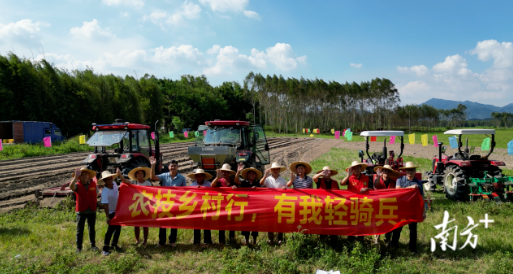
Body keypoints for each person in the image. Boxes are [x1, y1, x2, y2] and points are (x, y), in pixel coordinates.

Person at [149, 156, 187, 247]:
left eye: (174, 166)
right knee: (163, 222)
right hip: (164, 203)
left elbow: (185, 191)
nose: (172, 167)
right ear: (168, 167)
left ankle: (172, 241)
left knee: (174, 222)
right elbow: (153, 177)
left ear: (177, 167)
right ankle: (161, 242)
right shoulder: (164, 176)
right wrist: (153, 166)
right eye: (171, 166)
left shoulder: (182, 178)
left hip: (175, 204)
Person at [393, 162, 427, 253]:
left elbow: (422, 198)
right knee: (398, 227)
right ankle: (394, 244)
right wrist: (411, 187)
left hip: (413, 209)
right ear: (405, 170)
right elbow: (397, 190)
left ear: (415, 171)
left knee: (413, 229)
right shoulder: (400, 179)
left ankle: (412, 248)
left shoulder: (418, 183)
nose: (409, 171)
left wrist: (423, 211)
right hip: (401, 208)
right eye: (408, 170)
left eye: (411, 170)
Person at [117, 167, 152, 247]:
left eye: (141, 173)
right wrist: (120, 174)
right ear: (136, 175)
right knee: (136, 224)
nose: (140, 174)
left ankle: (145, 241)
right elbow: (125, 181)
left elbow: (151, 193)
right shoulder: (133, 182)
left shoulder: (147, 183)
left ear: (144, 175)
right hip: (136, 206)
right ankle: (137, 240)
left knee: (145, 224)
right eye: (138, 173)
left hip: (145, 205)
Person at [70, 167, 99, 253]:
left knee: (92, 228)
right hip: (81, 211)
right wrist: (75, 178)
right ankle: (79, 248)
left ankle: (93, 245)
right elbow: (71, 187)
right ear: (79, 177)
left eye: (86, 174)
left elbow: (96, 193)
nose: (84, 176)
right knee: (80, 230)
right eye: (82, 175)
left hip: (91, 210)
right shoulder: (77, 185)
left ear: (89, 176)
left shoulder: (93, 184)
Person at [341, 161, 371, 242]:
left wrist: (367, 189)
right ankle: (350, 241)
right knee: (351, 224)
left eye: (358, 167)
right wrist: (348, 175)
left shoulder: (367, 178)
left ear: (361, 169)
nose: (356, 169)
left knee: (361, 224)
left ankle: (360, 242)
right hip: (351, 205)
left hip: (363, 205)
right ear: (352, 169)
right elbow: (342, 183)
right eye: (354, 168)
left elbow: (373, 190)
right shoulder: (350, 178)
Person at [233, 163, 262, 245]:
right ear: (247, 175)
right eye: (250, 173)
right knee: (246, 224)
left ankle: (255, 241)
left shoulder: (257, 183)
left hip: (255, 207)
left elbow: (263, 192)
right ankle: (246, 240)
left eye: (253, 173)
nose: (251, 175)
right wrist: (238, 171)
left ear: (255, 175)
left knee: (255, 224)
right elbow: (236, 181)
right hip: (246, 207)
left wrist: (257, 189)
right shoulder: (244, 182)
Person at [259, 162, 287, 244]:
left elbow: (287, 189)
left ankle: (280, 238)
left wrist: (285, 188)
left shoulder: (283, 180)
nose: (275, 171)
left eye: (276, 169)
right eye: (273, 169)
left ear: (279, 170)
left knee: (280, 221)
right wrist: (265, 175)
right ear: (271, 170)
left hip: (280, 203)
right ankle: (270, 238)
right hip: (270, 203)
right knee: (270, 221)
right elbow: (261, 183)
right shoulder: (268, 179)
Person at [372, 165, 400, 246]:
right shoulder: (378, 180)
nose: (386, 173)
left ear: (390, 173)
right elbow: (376, 186)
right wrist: (378, 176)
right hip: (379, 206)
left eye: (388, 171)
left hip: (389, 207)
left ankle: (387, 240)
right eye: (385, 171)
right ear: (382, 172)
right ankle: (376, 240)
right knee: (378, 223)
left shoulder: (393, 183)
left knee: (389, 224)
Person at [312, 166, 339, 245]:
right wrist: (320, 174)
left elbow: (339, 194)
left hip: (333, 207)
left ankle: (334, 242)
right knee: (322, 224)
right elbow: (314, 178)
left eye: (328, 171)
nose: (327, 173)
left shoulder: (335, 182)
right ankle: (323, 242)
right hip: (322, 207)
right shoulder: (319, 181)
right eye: (325, 171)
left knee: (333, 225)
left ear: (331, 173)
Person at [211, 163, 237, 244]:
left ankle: (232, 240)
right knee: (222, 224)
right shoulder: (219, 181)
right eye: (223, 171)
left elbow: (238, 187)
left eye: (226, 171)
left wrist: (235, 188)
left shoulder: (232, 180)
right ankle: (221, 241)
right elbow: (212, 185)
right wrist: (216, 177)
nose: (224, 173)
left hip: (231, 205)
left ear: (229, 173)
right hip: (222, 206)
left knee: (231, 224)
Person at [188, 168, 214, 245]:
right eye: (197, 176)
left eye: (201, 175)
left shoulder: (208, 184)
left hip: (206, 206)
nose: (199, 177)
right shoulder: (192, 185)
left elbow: (212, 194)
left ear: (203, 176)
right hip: (196, 207)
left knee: (207, 224)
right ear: (195, 177)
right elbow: (190, 196)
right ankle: (196, 242)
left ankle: (208, 241)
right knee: (196, 225)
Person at [99, 171, 121, 256]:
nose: (110, 180)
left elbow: (117, 189)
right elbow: (106, 205)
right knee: (110, 230)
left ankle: (114, 244)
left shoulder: (114, 184)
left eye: (110, 178)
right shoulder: (105, 192)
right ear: (104, 181)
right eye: (107, 179)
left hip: (118, 210)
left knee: (118, 228)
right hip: (111, 211)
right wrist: (108, 216)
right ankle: (105, 248)